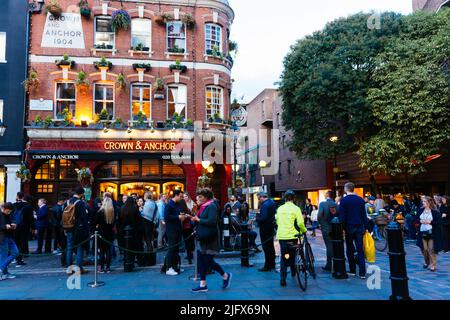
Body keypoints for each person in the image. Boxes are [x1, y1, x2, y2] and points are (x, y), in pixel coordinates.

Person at [191, 188, 232, 292]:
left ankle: (225, 275)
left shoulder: (212, 206)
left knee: (208, 261)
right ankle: (203, 284)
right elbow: (199, 221)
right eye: (198, 196)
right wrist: (193, 219)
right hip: (203, 238)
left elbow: (211, 221)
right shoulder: (202, 207)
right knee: (201, 260)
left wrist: (198, 219)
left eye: (201, 197)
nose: (198, 198)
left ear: (206, 197)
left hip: (211, 238)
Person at [275, 190, 307, 287]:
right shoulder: (296, 209)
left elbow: (277, 221)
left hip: (282, 236)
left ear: (285, 198)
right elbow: (300, 223)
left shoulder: (280, 208)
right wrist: (303, 231)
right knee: (293, 255)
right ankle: (294, 272)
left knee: (284, 256)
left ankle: (283, 279)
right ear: (294, 198)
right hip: (292, 236)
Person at [339, 182, 369, 279]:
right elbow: (364, 215)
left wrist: (342, 228)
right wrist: (366, 227)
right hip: (360, 226)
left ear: (346, 189)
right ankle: (362, 272)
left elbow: (342, 216)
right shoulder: (360, 200)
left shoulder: (344, 200)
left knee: (350, 248)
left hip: (349, 227)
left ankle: (352, 270)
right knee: (360, 249)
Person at [65, 187, 89, 274]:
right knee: (80, 248)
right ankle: (79, 269)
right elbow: (84, 217)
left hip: (69, 228)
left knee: (69, 248)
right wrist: (87, 229)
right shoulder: (80, 203)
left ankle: (69, 269)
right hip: (78, 228)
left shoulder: (67, 202)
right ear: (81, 194)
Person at [415, 196, 443, 272]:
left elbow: (439, 222)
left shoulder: (435, 212)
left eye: (424, 201)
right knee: (424, 249)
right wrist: (420, 221)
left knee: (431, 249)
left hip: (432, 233)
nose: (423, 203)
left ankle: (433, 265)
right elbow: (416, 219)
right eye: (423, 201)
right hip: (422, 233)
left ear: (429, 202)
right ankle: (427, 262)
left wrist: (430, 222)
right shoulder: (420, 210)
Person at [164, 190, 184, 275]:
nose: (181, 198)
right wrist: (178, 217)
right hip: (171, 230)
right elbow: (167, 217)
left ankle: (175, 266)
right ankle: (169, 268)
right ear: (175, 195)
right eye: (180, 196)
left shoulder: (178, 204)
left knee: (176, 249)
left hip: (177, 229)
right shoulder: (169, 205)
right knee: (171, 248)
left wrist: (183, 216)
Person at [120, 197, 143, 270]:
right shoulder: (134, 208)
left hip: (124, 230)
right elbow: (139, 219)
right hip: (134, 230)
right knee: (134, 247)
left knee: (127, 248)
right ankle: (134, 262)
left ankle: (128, 261)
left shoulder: (122, 208)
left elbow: (120, 220)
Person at [256, 191, 277, 272]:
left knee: (266, 247)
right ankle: (272, 264)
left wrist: (257, 218)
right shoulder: (271, 202)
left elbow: (263, 218)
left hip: (265, 228)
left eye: (258, 198)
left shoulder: (265, 205)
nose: (258, 200)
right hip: (271, 227)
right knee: (271, 246)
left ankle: (267, 266)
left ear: (262, 197)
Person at [13, 192, 34, 266]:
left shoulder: (14, 205)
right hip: (24, 227)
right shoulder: (28, 206)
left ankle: (15, 258)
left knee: (16, 242)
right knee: (22, 242)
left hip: (15, 226)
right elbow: (31, 219)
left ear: (18, 196)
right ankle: (19, 259)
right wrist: (33, 228)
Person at [95, 196, 116, 273]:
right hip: (109, 233)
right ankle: (108, 267)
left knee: (102, 251)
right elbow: (113, 223)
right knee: (108, 251)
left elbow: (95, 222)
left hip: (101, 233)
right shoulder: (112, 212)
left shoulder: (100, 212)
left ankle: (102, 267)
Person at [317, 191, 336, 272]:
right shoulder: (336, 204)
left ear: (328, 195)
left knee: (329, 246)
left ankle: (329, 265)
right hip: (336, 228)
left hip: (326, 227)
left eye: (325, 194)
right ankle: (336, 263)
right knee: (335, 246)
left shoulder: (322, 204)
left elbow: (319, 215)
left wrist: (320, 224)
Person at [0, 202, 19, 280]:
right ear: (4, 209)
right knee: (3, 256)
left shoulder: (9, 214)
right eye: (8, 211)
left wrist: (14, 224)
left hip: (10, 236)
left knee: (15, 252)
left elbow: (13, 220)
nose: (9, 213)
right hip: (2, 238)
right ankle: (4, 273)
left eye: (10, 211)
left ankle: (1, 270)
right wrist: (5, 226)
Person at [141, 192, 158, 265]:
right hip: (151, 223)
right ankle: (150, 258)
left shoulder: (147, 203)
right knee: (149, 241)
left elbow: (144, 215)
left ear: (146, 196)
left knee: (147, 241)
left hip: (146, 223)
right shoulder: (154, 203)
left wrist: (140, 210)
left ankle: (149, 259)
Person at [181, 193, 196, 264]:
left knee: (189, 241)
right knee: (187, 241)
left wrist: (189, 215)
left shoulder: (192, 204)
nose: (185, 197)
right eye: (183, 196)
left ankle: (190, 255)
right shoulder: (182, 205)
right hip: (185, 225)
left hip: (190, 225)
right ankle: (189, 255)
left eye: (186, 196)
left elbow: (194, 214)